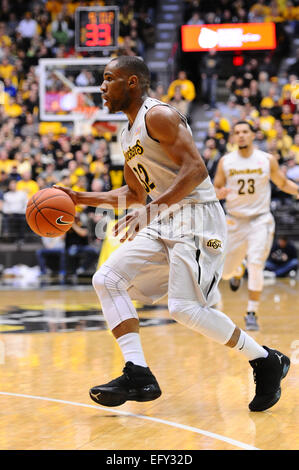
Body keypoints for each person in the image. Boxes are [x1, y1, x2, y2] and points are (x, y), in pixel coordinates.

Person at [54, 56, 291, 413]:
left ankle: (264, 360)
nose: (101, 87)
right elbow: (134, 194)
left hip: (197, 217)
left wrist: (150, 210)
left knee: (183, 308)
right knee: (107, 278)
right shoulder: (126, 133)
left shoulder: (158, 116)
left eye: (108, 79)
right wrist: (78, 198)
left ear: (132, 82)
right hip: (166, 218)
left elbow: (195, 170)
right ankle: (138, 373)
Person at [213, 121, 299, 331]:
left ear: (253, 135)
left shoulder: (266, 159)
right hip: (234, 221)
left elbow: (282, 183)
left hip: (260, 219)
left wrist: (298, 190)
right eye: (237, 132)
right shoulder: (226, 161)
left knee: (256, 263)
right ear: (233, 137)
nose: (241, 135)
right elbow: (215, 187)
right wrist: (219, 193)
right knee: (224, 273)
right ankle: (236, 270)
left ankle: (251, 312)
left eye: (245, 132)